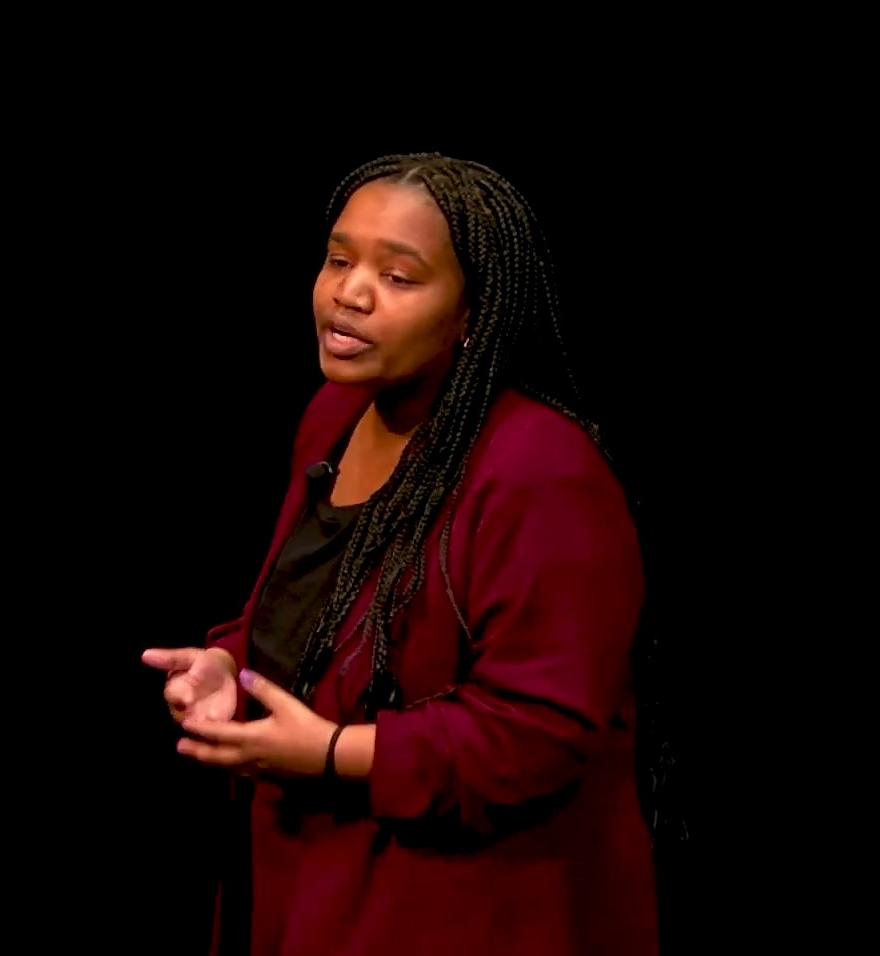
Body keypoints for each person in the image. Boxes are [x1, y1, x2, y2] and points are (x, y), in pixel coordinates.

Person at [141, 153, 656, 956]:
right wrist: (234, 665)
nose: (349, 292)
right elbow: (319, 607)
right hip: (301, 879)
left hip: (455, 908)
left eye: (399, 276)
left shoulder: (540, 471)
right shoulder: (334, 416)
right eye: (339, 260)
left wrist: (338, 753)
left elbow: (543, 732)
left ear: (472, 313)